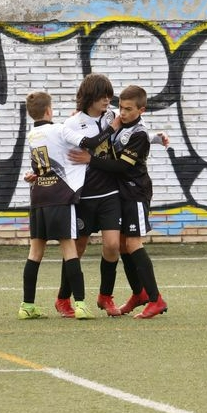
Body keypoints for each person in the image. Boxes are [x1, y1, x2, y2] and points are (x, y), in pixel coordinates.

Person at [69, 85, 168, 319]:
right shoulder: (118, 121)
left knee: (133, 243)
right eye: (121, 107)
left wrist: (90, 160)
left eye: (129, 109)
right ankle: (138, 294)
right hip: (121, 193)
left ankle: (156, 299)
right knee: (122, 245)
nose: (122, 113)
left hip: (136, 193)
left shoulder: (139, 134)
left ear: (141, 110)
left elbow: (122, 166)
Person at [20, 91, 120, 320]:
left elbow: (40, 166)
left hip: (38, 197)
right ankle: (81, 305)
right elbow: (91, 143)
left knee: (35, 253)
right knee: (70, 250)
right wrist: (112, 127)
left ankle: (27, 306)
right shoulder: (60, 129)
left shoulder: (32, 135)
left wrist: (31, 175)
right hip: (61, 197)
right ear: (49, 110)